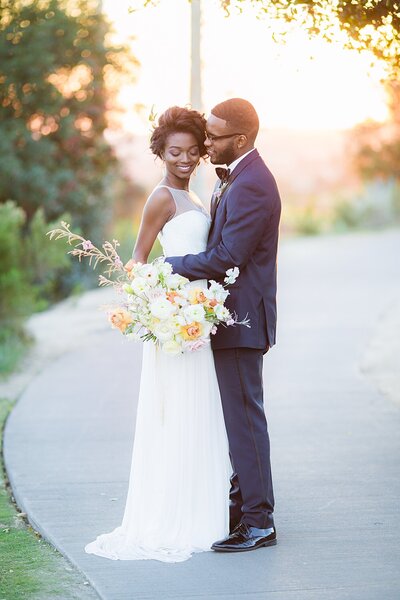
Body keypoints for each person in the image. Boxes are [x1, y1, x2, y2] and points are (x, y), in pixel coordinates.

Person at [85, 106, 232, 563]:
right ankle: (177, 517)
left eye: (192, 151)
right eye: (175, 152)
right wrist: (164, 308)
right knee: (178, 416)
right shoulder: (162, 198)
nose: (185, 159)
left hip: (197, 324)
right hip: (175, 327)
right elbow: (136, 264)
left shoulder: (194, 194)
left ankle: (202, 513)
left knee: (201, 412)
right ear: (160, 152)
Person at [166, 98, 281, 552]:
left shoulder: (253, 184)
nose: (205, 143)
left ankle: (258, 522)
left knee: (245, 421)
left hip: (242, 320)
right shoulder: (236, 178)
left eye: (213, 137)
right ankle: (240, 512)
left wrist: (168, 267)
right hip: (229, 319)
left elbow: (229, 256)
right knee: (236, 420)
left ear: (242, 139)